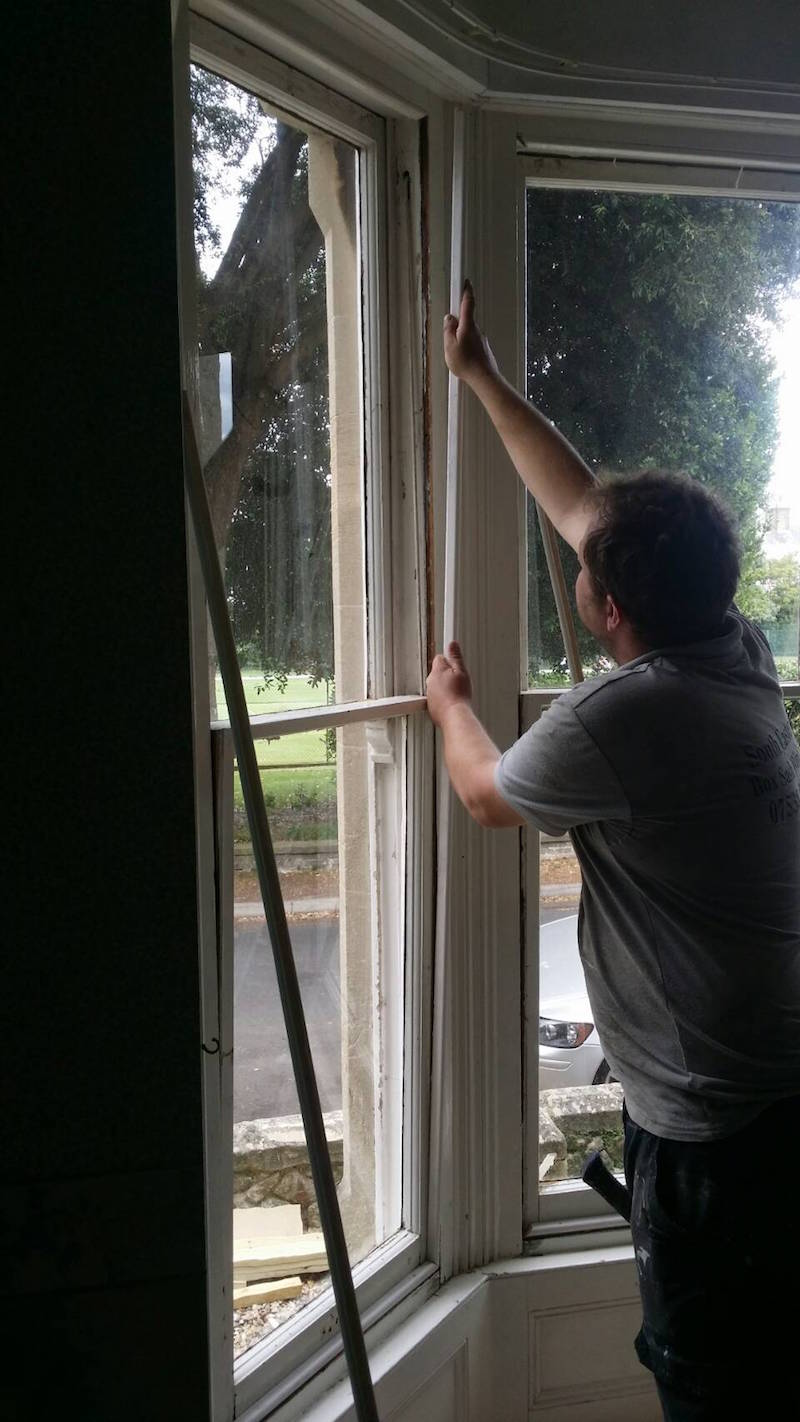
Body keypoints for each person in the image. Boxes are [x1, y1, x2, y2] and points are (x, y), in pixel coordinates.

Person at [427, 281, 800, 1419]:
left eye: (587, 572)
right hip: (776, 1093)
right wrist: (482, 379)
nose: (577, 565)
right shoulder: (732, 647)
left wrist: (449, 702)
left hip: (706, 1128)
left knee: (706, 1373)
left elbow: (488, 796)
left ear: (603, 612)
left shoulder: (623, 718)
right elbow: (587, 507)